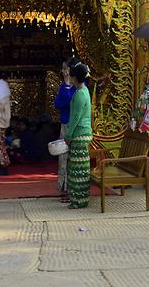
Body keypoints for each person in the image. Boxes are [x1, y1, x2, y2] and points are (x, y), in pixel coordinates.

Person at [65, 62, 93, 209]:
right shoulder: (83, 91)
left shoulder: (81, 94)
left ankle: (80, 200)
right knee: (77, 168)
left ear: (75, 77)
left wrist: (68, 135)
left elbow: (75, 117)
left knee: (78, 170)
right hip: (82, 133)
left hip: (80, 134)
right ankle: (77, 199)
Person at [53, 57, 79, 199]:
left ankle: (71, 189)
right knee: (63, 157)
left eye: (66, 69)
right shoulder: (64, 85)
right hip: (64, 123)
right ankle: (64, 187)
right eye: (63, 69)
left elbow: (70, 102)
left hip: (72, 126)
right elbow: (57, 104)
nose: (63, 72)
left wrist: (68, 86)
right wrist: (66, 86)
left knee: (71, 158)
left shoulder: (78, 86)